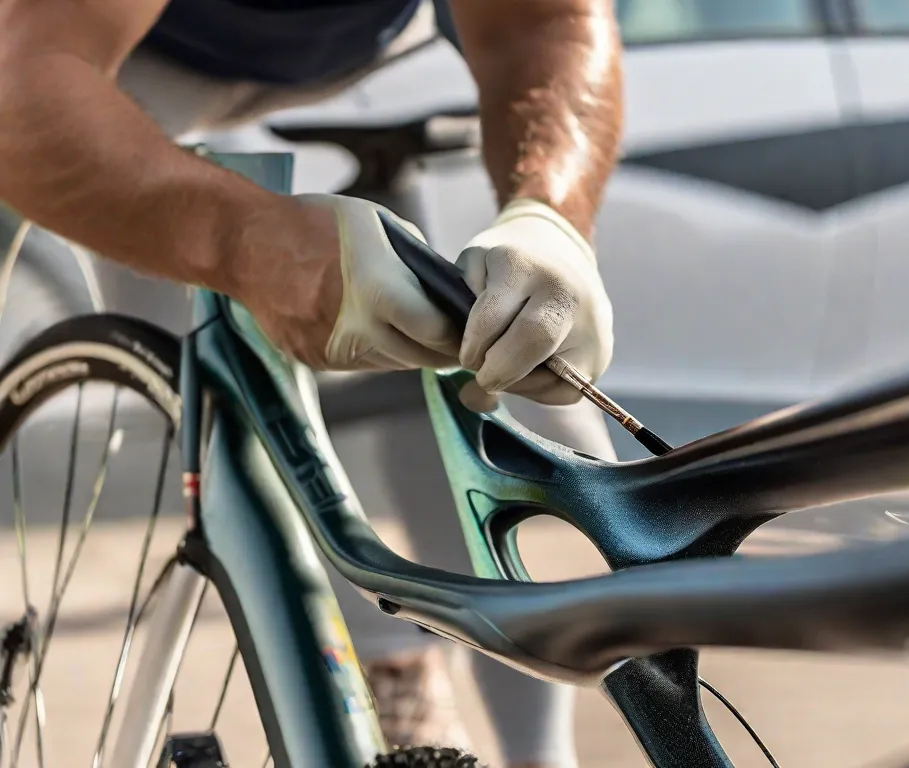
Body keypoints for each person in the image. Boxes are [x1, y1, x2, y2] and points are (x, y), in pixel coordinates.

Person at [0, 1, 624, 766]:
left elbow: (544, 22)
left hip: (368, 55)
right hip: (130, 51)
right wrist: (243, 242)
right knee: (226, 412)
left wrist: (550, 218)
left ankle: (537, 750)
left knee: (482, 374)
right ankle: (380, 663)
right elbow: (20, 91)